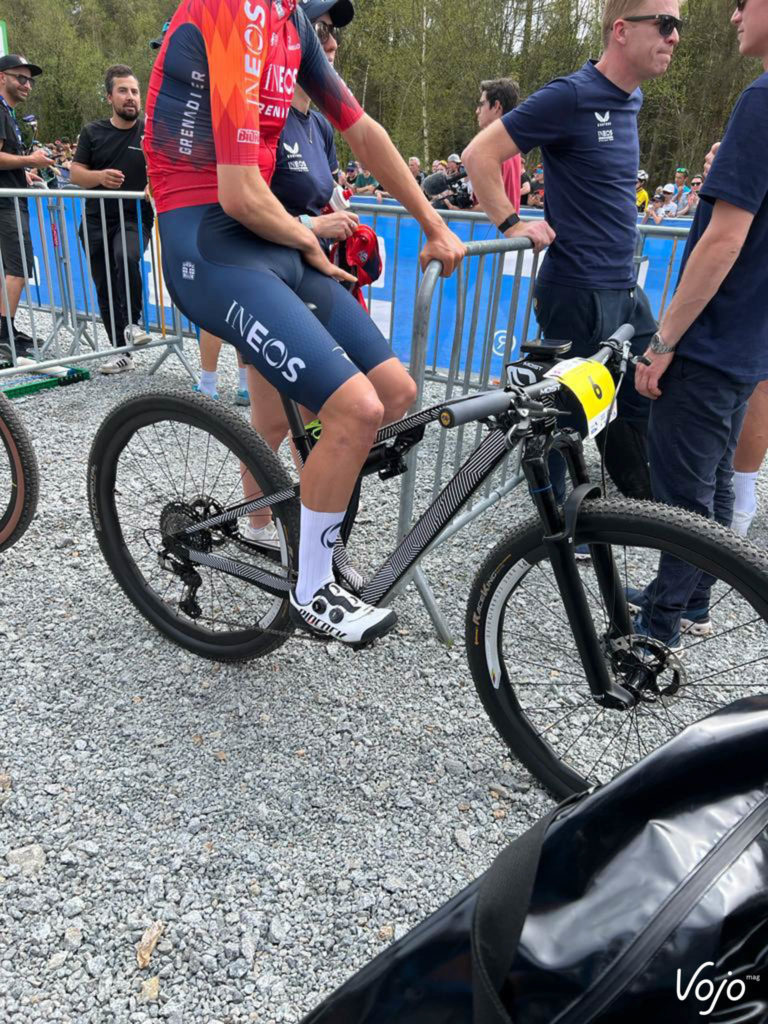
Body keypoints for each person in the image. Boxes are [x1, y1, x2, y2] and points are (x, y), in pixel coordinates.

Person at [144, 0, 464, 644]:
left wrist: (434, 224)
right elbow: (238, 192)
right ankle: (312, 588)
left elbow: (362, 129)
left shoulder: (291, 22)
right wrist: (309, 238)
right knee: (355, 410)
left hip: (267, 237)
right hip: (208, 243)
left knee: (394, 394)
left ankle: (312, 518)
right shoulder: (231, 11)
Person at [464, 0, 681, 502]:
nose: (674, 37)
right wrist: (512, 221)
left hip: (623, 288)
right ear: (621, 31)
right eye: (665, 24)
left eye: (678, 26)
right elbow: (479, 154)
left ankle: (643, 508)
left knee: (642, 396)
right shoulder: (572, 95)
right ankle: (558, 524)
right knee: (566, 421)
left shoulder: (632, 98)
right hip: (577, 290)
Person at [633, 0, 768, 644]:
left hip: (714, 339)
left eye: (744, 2)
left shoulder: (761, 100)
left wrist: (664, 341)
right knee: (711, 481)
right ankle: (690, 601)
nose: (735, 16)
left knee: (681, 501)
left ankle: (656, 633)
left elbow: (724, 239)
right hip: (748, 339)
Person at [195, 0, 359, 410]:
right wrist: (313, 227)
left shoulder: (320, 125)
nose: (332, 44)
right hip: (269, 268)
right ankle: (210, 381)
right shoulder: (264, 114)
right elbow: (242, 205)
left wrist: (345, 219)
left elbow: (328, 191)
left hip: (311, 267)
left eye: (334, 34)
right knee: (284, 419)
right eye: (320, 31)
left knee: (323, 411)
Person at [71, 65, 155, 374]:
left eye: (134, 91)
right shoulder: (93, 132)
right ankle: (122, 352)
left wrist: (154, 183)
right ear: (109, 97)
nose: (130, 97)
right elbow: (75, 173)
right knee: (104, 285)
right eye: (123, 91)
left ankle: (134, 322)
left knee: (126, 255)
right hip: (96, 220)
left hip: (134, 216)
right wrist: (99, 177)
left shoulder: (149, 130)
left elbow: (167, 166)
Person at [0, 54, 53, 357]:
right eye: (20, 78)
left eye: (30, 80)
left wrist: (24, 172)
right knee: (18, 269)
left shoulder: (7, 113)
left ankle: (7, 329)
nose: (27, 85)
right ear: (1, 78)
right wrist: (30, 160)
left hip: (11, 197)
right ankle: (4, 334)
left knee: (13, 269)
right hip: (6, 203)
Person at [470, 78, 524, 214]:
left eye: (482, 104)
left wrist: (459, 211)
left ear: (497, 106)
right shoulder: (512, 145)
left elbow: (491, 205)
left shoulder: (491, 149)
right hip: (508, 225)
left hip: (489, 226)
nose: (477, 111)